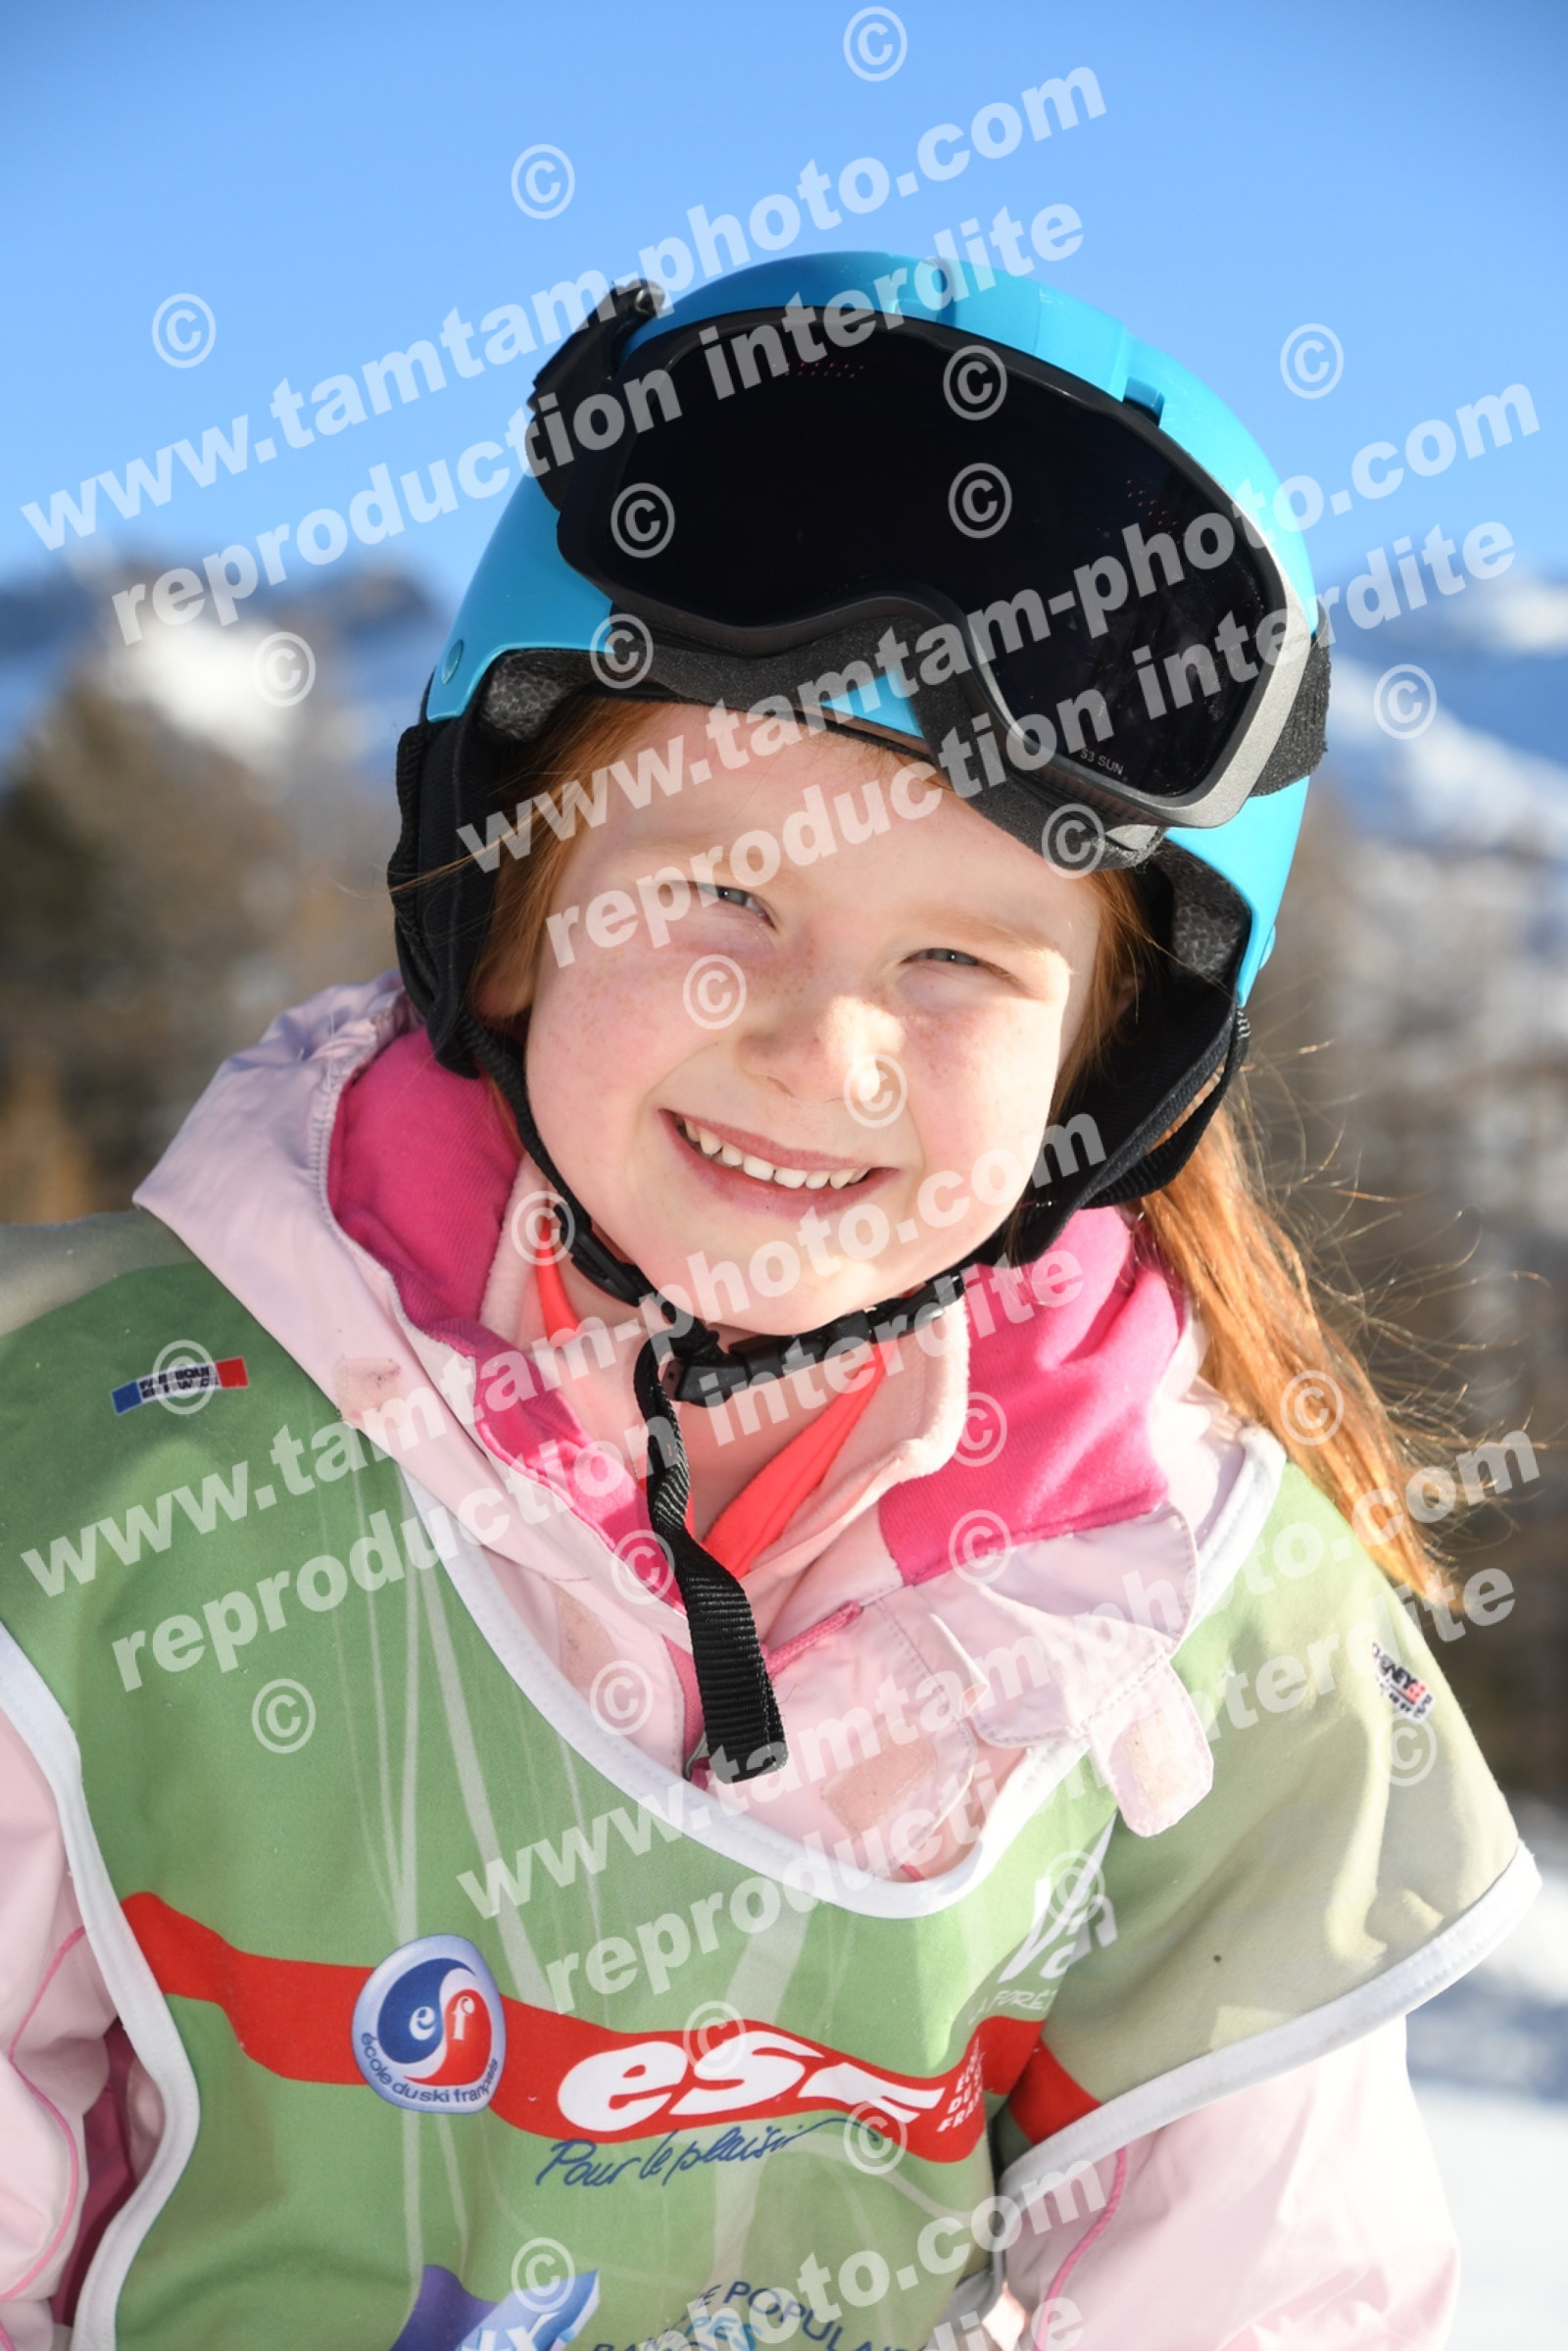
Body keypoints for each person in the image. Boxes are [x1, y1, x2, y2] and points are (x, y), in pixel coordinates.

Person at [0, 252, 1538, 2351]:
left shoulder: (1179, 1605)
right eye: (718, 892)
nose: (827, 1046)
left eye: (958, 963)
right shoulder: (81, 1459)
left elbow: (1270, 2289)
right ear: (508, 904)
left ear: (1102, 1061)